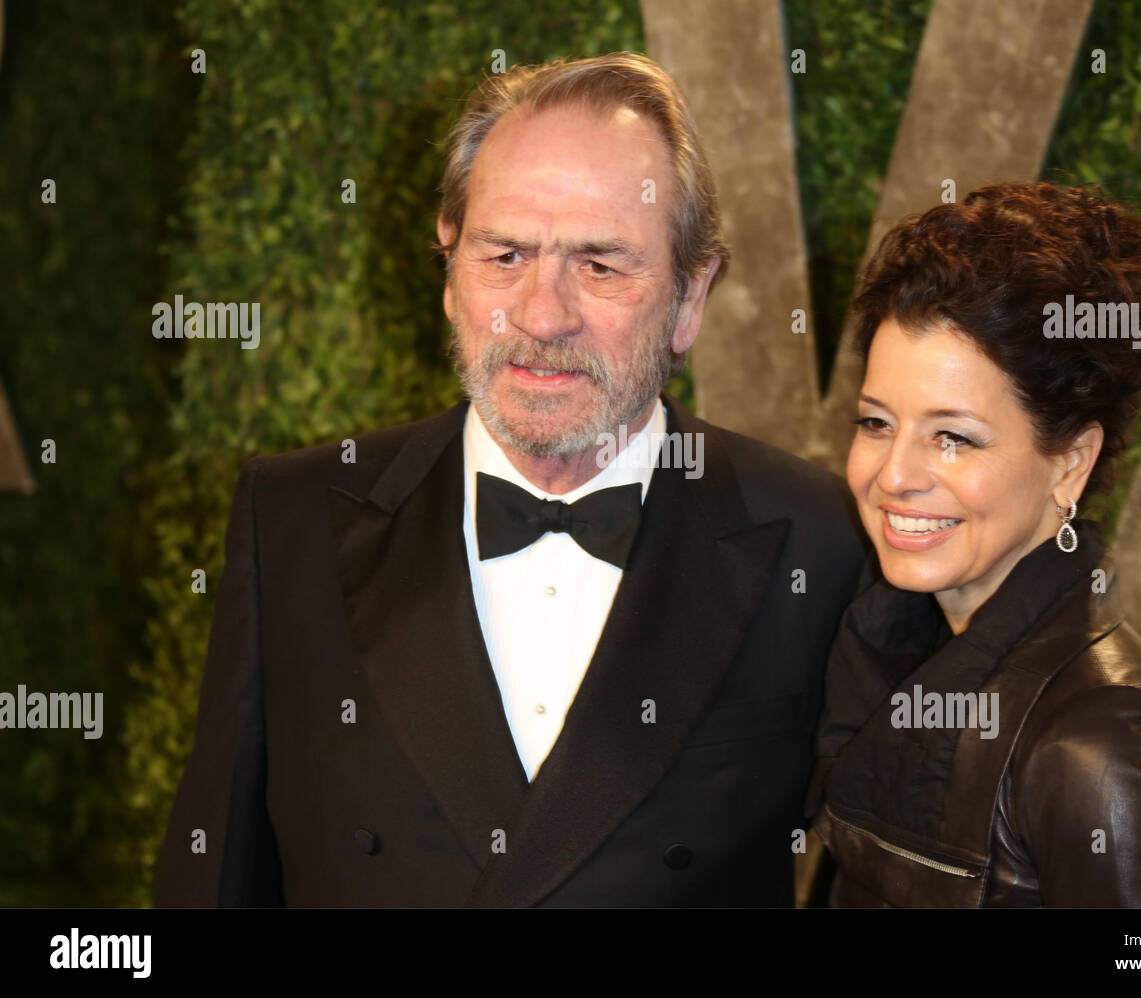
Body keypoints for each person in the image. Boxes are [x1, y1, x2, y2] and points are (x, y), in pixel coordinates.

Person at [153, 53, 865, 907]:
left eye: (600, 264)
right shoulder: (292, 520)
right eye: (505, 255)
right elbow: (215, 874)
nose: (542, 314)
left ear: (689, 297)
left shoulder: (814, 535)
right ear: (450, 269)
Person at [805, 182, 1141, 907]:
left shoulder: (1105, 754)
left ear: (1071, 463)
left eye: (953, 437)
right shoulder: (886, 646)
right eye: (876, 423)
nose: (893, 476)